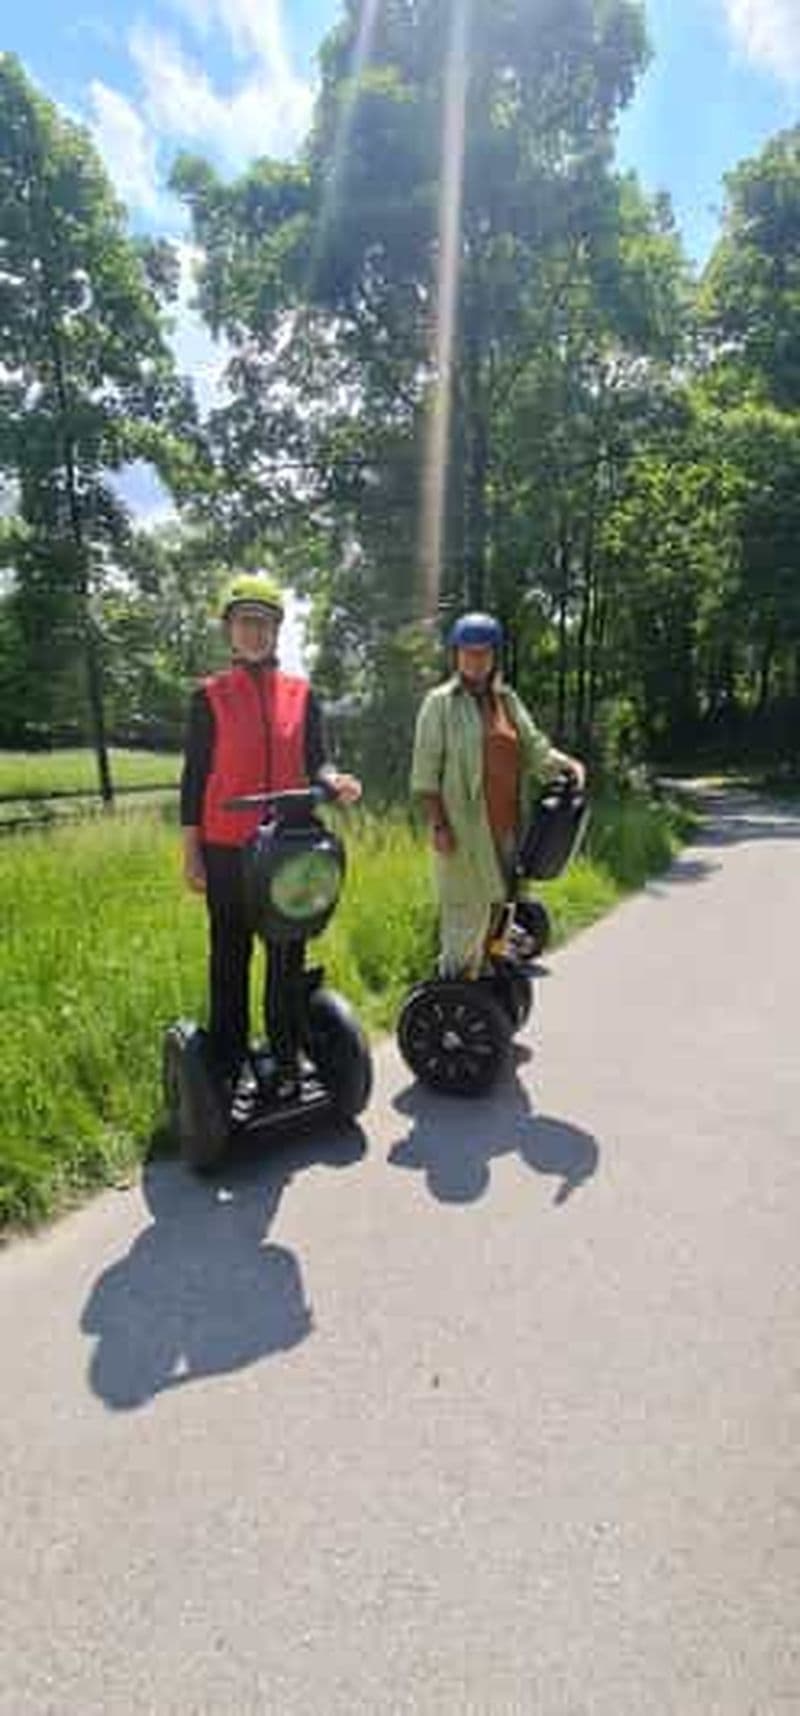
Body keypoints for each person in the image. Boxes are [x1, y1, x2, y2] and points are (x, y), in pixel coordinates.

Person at [180, 571, 361, 1089]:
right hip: (226, 848)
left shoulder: (301, 694)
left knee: (287, 954)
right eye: (245, 622)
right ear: (229, 630)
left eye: (264, 623)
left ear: (277, 630)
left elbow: (317, 760)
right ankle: (229, 1061)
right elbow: (194, 779)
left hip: (290, 847)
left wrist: (334, 780)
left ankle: (285, 1054)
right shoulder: (209, 696)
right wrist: (191, 851)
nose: (254, 631)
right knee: (230, 955)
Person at [410, 611, 586, 979]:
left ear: (494, 656)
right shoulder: (439, 703)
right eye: (468, 652)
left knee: (500, 914)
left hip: (507, 831)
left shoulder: (507, 701)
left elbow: (536, 750)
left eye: (484, 652)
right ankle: (453, 993)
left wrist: (567, 764)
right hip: (462, 834)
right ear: (456, 655)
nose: (476, 660)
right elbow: (425, 776)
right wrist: (439, 826)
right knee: (466, 919)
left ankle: (488, 988)